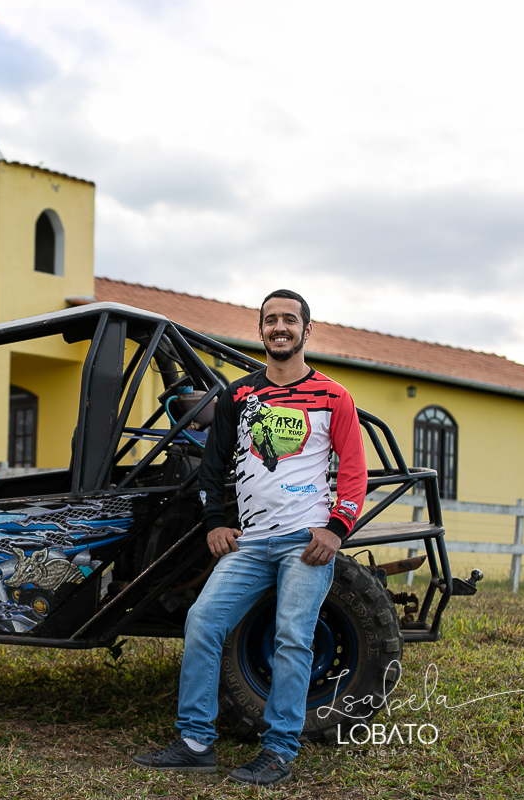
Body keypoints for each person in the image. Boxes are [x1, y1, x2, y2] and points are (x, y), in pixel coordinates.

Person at [132, 289, 367, 785]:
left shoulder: (334, 397)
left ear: (307, 330)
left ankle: (278, 751)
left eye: (289, 320)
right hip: (253, 542)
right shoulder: (238, 397)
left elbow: (353, 471)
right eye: (270, 320)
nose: (279, 328)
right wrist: (216, 521)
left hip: (307, 541)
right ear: (260, 330)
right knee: (202, 622)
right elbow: (213, 467)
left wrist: (337, 528)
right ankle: (196, 742)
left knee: (291, 637)